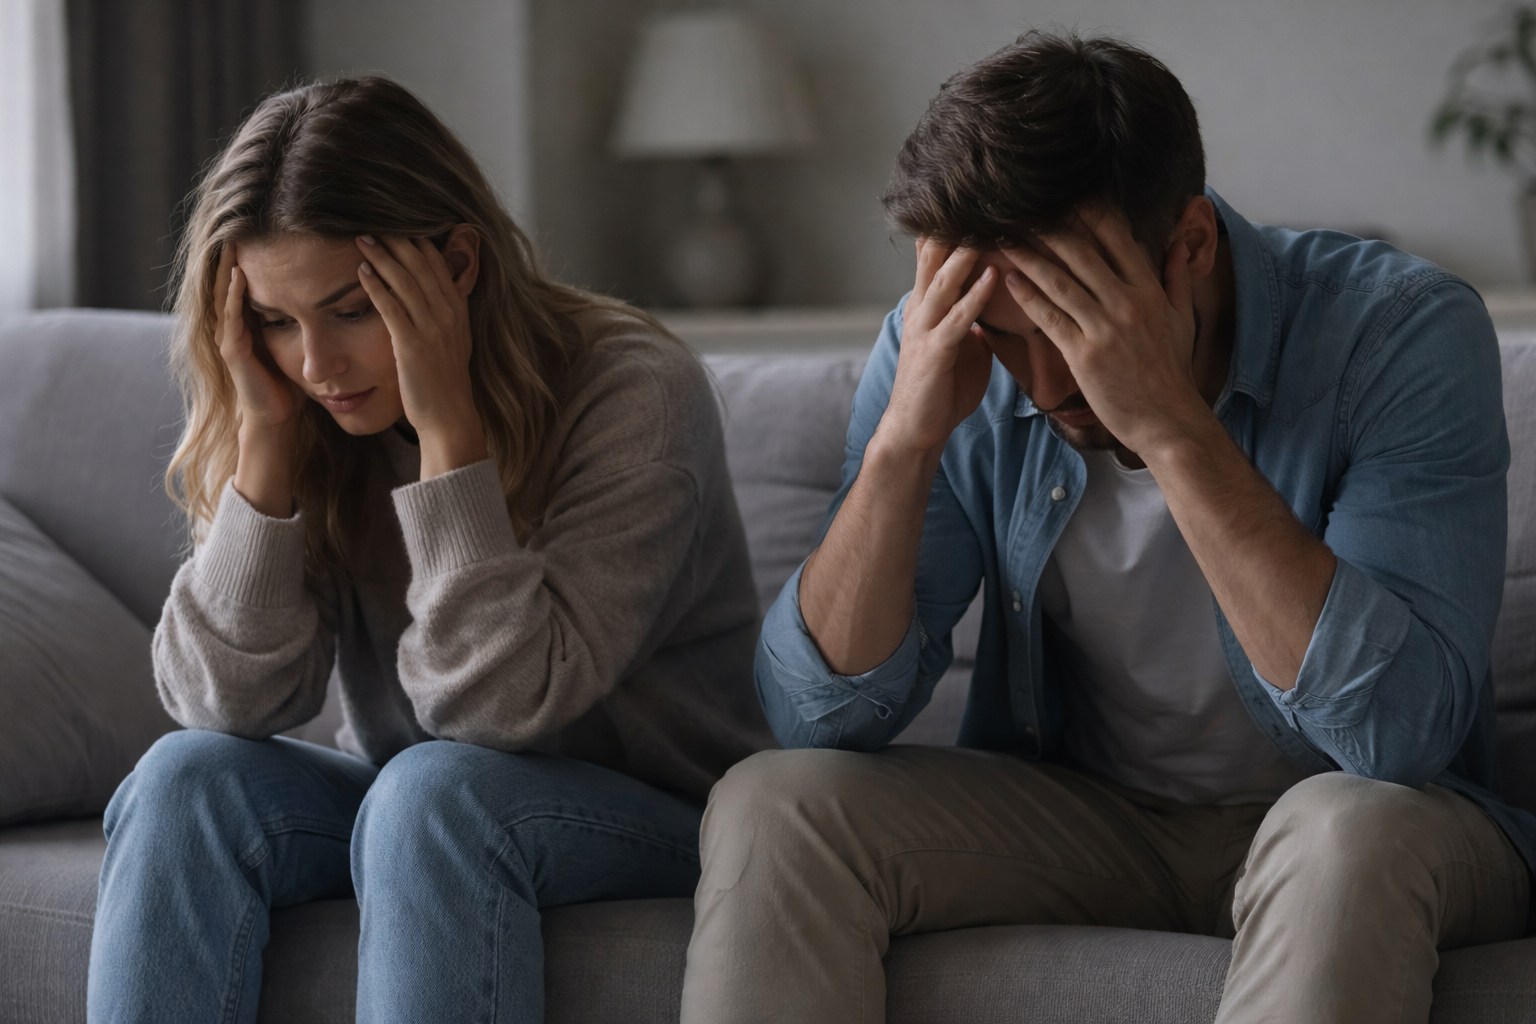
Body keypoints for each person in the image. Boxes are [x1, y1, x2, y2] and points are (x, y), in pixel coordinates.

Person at [680, 31, 1536, 1024]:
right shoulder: (940, 346)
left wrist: (1173, 427)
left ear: (1192, 246)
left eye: (1077, 329)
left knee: (1348, 830)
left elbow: (1396, 734)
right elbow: (817, 718)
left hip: (1372, 818)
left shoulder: (1400, 332)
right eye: (1008, 338)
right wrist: (904, 447)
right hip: (1092, 817)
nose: (1043, 387)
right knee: (773, 801)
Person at [86, 76, 772, 1024]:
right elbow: (224, 703)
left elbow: (500, 709)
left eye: (350, 310)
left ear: (455, 264)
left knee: (434, 791)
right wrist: (265, 452)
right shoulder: (300, 410)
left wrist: (449, 435)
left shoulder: (633, 393)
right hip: (415, 804)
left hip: (654, 810)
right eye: (278, 323)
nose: (317, 365)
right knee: (183, 780)